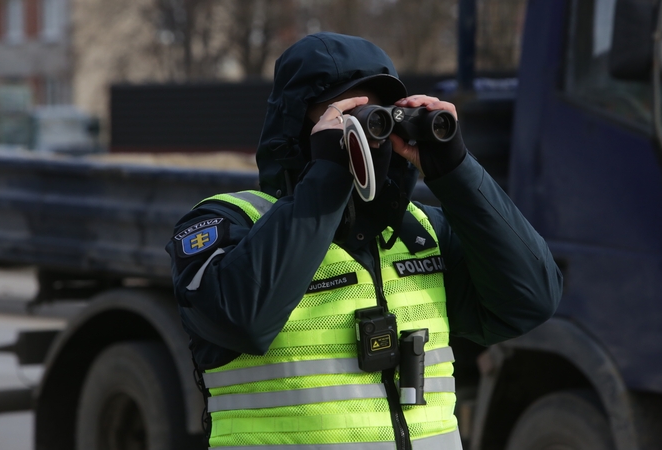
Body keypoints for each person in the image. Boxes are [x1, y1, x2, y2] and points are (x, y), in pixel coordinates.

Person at [166, 32, 562, 450]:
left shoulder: (418, 232)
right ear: (301, 127)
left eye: (380, 116)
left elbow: (531, 300)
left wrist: (456, 171)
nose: (370, 136)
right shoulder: (229, 223)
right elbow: (244, 318)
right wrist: (327, 173)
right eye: (347, 117)